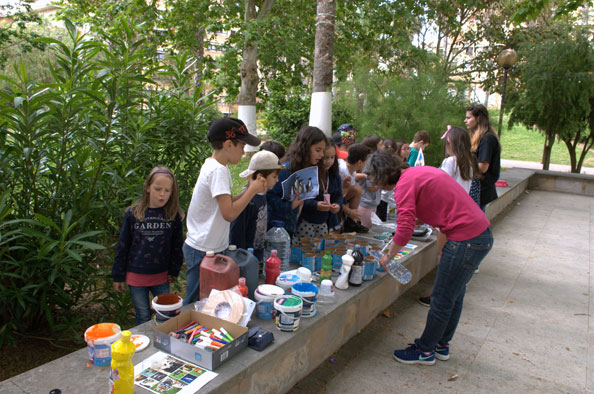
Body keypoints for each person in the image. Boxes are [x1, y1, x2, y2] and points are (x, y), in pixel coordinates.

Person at [373, 152, 492, 365]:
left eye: (376, 179)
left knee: (442, 298)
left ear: (383, 174)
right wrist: (422, 217)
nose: (378, 186)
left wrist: (389, 257)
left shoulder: (403, 185)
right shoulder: (417, 173)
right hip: (479, 235)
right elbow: (439, 202)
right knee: (454, 295)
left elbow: (405, 228)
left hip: (465, 240)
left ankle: (425, 350)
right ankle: (441, 344)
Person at [184, 117, 266, 305]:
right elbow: (229, 213)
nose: (244, 152)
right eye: (242, 146)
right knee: (195, 301)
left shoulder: (214, 166)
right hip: (204, 249)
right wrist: (252, 190)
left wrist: (248, 192)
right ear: (229, 144)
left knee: (205, 300)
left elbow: (226, 201)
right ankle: (181, 332)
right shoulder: (218, 171)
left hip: (207, 246)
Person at [112, 165, 185, 325]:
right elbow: (123, 245)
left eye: (167, 190)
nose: (162, 194)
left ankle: (166, 344)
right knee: (143, 315)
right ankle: (146, 347)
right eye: (158, 189)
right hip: (136, 277)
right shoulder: (133, 214)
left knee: (166, 315)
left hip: (161, 277)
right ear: (147, 188)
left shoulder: (173, 215)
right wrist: (118, 275)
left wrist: (174, 270)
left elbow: (177, 246)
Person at [418, 126, 482, 307]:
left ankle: (439, 294)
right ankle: (451, 292)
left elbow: (439, 188)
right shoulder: (469, 161)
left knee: (443, 256)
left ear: (450, 143)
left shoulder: (450, 162)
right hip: (463, 213)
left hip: (447, 214)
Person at [267, 125, 327, 238]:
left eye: (323, 150)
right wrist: (291, 205)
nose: (322, 155)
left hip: (291, 227)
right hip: (275, 231)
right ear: (305, 147)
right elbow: (269, 199)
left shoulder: (308, 170)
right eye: (318, 150)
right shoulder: (285, 170)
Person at [230, 151, 283, 261]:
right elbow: (237, 232)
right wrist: (241, 259)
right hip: (245, 257)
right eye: (274, 176)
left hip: (257, 253)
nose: (277, 180)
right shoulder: (247, 200)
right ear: (260, 177)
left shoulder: (262, 194)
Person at [295, 140, 342, 238]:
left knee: (320, 248)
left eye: (332, 157)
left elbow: (338, 195)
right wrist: (315, 204)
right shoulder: (308, 174)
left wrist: (337, 205)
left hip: (323, 221)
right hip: (305, 220)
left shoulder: (334, 176)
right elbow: (299, 198)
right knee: (305, 249)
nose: (329, 161)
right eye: (325, 158)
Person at [465, 104, 501, 211]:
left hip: (482, 189)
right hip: (479, 189)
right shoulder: (483, 137)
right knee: (479, 224)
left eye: (468, 118)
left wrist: (463, 166)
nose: (465, 120)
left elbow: (482, 167)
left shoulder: (487, 139)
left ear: (479, 119)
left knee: (479, 225)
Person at [338, 143, 371, 233]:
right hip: (333, 203)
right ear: (360, 162)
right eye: (366, 161)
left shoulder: (351, 171)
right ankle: (349, 221)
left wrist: (367, 177)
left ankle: (351, 223)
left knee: (357, 189)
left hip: (340, 199)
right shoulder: (342, 172)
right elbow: (333, 199)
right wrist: (349, 212)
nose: (366, 164)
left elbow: (355, 176)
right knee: (357, 189)